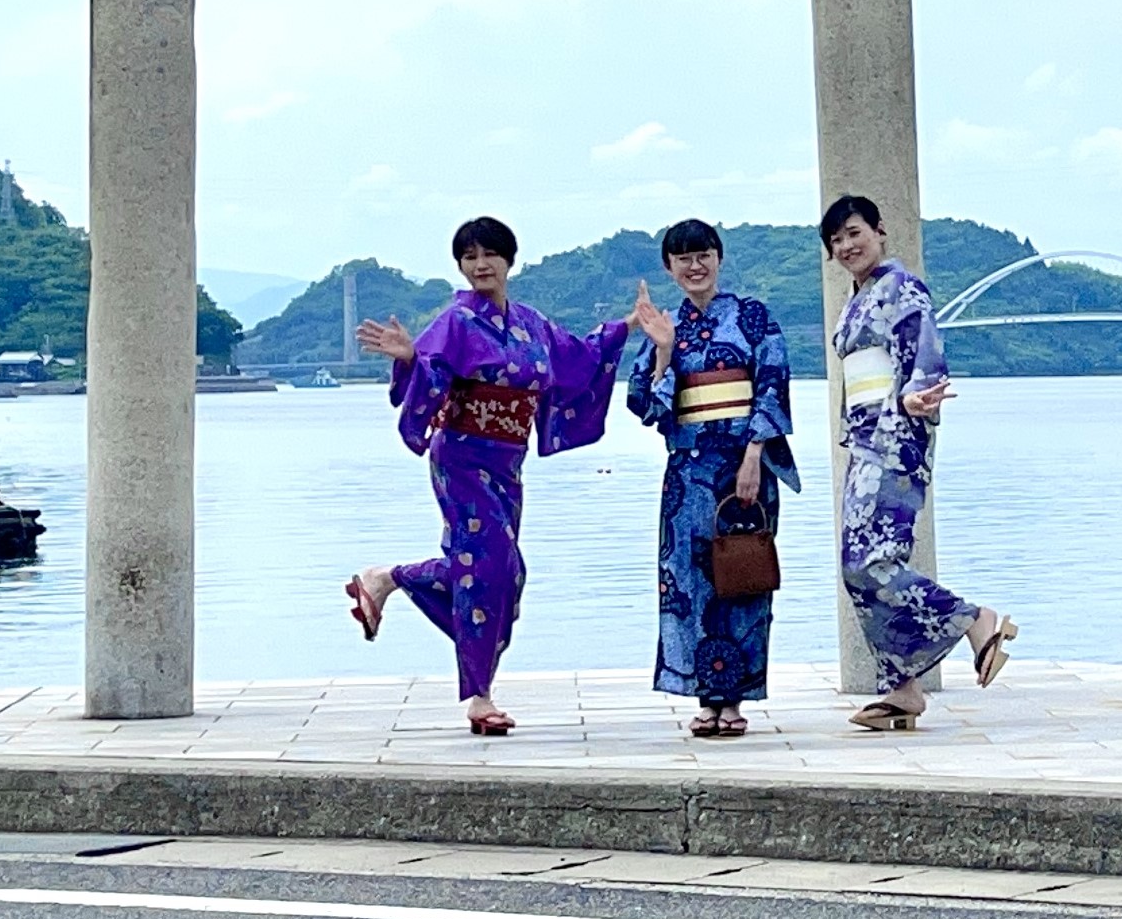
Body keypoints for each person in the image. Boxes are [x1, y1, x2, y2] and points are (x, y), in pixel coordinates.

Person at [341, 216, 631, 736]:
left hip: (507, 463)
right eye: (469, 257)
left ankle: (385, 579)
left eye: (489, 254)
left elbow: (579, 361)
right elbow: (427, 371)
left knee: (507, 577)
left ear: (508, 260)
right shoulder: (455, 321)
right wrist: (410, 358)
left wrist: (625, 329)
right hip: (462, 458)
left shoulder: (531, 323)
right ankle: (479, 696)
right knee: (488, 567)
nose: (480, 265)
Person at [821, 193, 1015, 731]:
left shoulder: (901, 289)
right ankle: (901, 687)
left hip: (894, 439)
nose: (846, 246)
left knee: (870, 562)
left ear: (880, 232)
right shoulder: (858, 298)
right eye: (836, 240)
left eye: (854, 232)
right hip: (864, 441)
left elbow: (924, 355)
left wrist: (914, 397)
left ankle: (976, 621)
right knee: (857, 568)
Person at [622, 217, 797, 738]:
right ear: (669, 269)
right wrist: (663, 350)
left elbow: (772, 383)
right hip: (687, 471)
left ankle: (737, 699)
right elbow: (645, 405)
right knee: (689, 583)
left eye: (704, 255)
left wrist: (753, 455)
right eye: (683, 259)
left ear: (719, 258)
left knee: (742, 577)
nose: (695, 266)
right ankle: (705, 696)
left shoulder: (753, 317)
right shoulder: (667, 325)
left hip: (744, 465)